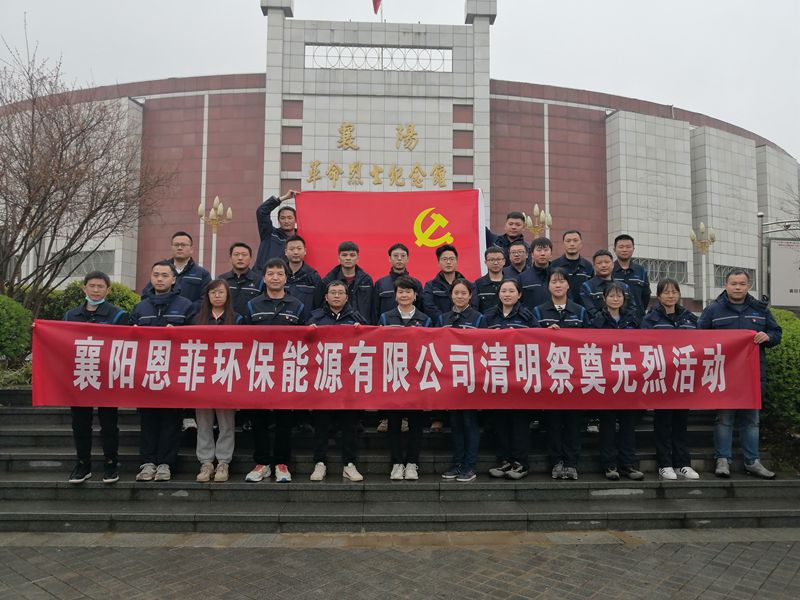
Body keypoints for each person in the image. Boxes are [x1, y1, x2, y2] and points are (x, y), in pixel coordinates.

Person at [699, 269, 782, 480]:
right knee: (724, 419)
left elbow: (776, 333)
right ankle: (722, 460)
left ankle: (752, 462)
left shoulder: (760, 310)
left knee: (751, 420)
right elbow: (698, 337)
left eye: (742, 284)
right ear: (725, 285)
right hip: (724, 375)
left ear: (749, 286)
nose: (737, 287)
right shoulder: (714, 310)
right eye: (734, 283)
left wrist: (768, 337)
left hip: (752, 376)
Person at [242, 258, 306, 483]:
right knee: (259, 419)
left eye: (280, 274)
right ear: (264, 278)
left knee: (284, 421)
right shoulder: (252, 305)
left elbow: (305, 339)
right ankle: (261, 463)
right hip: (260, 370)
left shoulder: (297, 306)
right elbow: (243, 338)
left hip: (287, 370)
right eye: (271, 274)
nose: (275, 278)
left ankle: (281, 464)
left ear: (286, 278)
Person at [130, 261, 195, 482]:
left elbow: (196, 336)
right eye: (156, 274)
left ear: (173, 279)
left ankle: (166, 463)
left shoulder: (186, 306)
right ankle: (147, 463)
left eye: (165, 275)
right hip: (146, 373)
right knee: (148, 420)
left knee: (171, 421)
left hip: (174, 372)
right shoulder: (141, 307)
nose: (160, 279)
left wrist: (178, 334)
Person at [63, 271, 129, 485]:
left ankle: (111, 463)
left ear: (108, 290)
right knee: (80, 423)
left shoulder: (118, 315)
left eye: (100, 286)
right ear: (84, 288)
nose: (96, 290)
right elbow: (61, 343)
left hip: (107, 377)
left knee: (109, 423)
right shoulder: (70, 316)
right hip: (81, 375)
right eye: (92, 286)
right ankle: (83, 464)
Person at [533, 268, 591, 480]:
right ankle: (556, 462)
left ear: (568, 284)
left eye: (561, 281)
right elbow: (531, 342)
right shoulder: (539, 312)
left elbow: (589, 342)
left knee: (573, 423)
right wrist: (544, 334)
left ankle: (571, 463)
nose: (557, 285)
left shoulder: (580, 311)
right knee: (553, 423)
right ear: (548, 286)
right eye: (553, 282)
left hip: (574, 377)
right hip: (550, 377)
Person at [307, 280, 368, 482]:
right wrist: (309, 332)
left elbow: (369, 344)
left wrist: (362, 331)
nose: (336, 296)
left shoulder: (356, 318)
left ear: (347, 297)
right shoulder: (315, 318)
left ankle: (349, 464)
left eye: (340, 292)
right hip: (322, 379)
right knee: (321, 424)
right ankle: (319, 462)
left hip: (348, 381)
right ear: (325, 297)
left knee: (350, 424)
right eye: (332, 292)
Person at [641, 278, 700, 481]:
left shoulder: (689, 318)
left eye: (674, 292)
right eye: (666, 292)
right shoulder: (650, 319)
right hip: (661, 379)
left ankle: (683, 463)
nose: (670, 295)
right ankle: (664, 464)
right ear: (658, 296)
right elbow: (643, 346)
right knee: (663, 423)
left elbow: (702, 343)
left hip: (683, 379)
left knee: (681, 423)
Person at [378, 276, 432, 480]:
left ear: (415, 295)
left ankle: (412, 463)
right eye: (400, 292)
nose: (404, 295)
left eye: (408, 292)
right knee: (394, 423)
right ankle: (396, 463)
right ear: (395, 295)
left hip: (417, 379)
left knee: (416, 424)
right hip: (394, 377)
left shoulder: (425, 319)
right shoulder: (385, 318)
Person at [485, 279, 538, 480]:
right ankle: (504, 460)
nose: (507, 294)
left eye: (511, 291)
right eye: (504, 291)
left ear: (519, 294)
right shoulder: (489, 316)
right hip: (496, 377)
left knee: (519, 422)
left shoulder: (527, 316)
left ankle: (521, 463)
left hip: (519, 378)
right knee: (500, 421)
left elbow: (537, 341)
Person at [591, 282, 643, 481]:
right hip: (606, 380)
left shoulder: (633, 319)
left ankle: (628, 464)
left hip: (628, 379)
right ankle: (609, 464)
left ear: (624, 299)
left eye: (619, 296)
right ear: (604, 299)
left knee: (628, 424)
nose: (615, 299)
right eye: (611, 296)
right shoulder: (596, 321)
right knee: (607, 424)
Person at [192, 279, 241, 483]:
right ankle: (206, 462)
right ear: (207, 296)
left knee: (226, 422)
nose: (217, 296)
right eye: (213, 293)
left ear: (227, 295)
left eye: (221, 292)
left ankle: (223, 462)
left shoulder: (237, 319)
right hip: (203, 376)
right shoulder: (198, 319)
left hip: (227, 376)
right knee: (203, 422)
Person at [438, 279, 487, 482]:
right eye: (456, 293)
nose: (459, 296)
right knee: (455, 423)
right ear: (451, 295)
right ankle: (457, 463)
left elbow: (484, 347)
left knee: (469, 422)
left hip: (472, 379)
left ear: (470, 296)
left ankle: (469, 465)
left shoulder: (479, 318)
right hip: (450, 379)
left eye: (463, 293)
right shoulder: (443, 318)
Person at [142, 231, 211, 304]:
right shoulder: (161, 270)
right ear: (171, 248)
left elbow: (205, 299)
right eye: (176, 245)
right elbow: (147, 294)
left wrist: (187, 308)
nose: (179, 248)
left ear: (191, 249)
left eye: (183, 245)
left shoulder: (202, 274)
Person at [321, 241, 374, 324]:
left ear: (357, 258)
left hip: (362, 325)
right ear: (339, 258)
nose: (348, 258)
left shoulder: (366, 280)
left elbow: (373, 306)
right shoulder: (329, 280)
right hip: (336, 325)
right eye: (344, 255)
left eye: (352, 255)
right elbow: (322, 306)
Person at [373, 243, 423, 321]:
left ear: (407, 259)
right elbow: (375, 311)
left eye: (403, 256)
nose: (399, 259)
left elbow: (421, 308)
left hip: (411, 326)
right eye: (395, 256)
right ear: (389, 258)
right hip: (387, 325)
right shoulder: (380, 284)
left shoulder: (416, 283)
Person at [580, 249, 636, 319]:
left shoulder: (624, 287)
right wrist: (609, 321)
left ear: (613, 264)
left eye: (607, 262)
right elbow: (590, 311)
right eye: (599, 263)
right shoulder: (587, 287)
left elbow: (632, 309)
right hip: (597, 324)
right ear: (594, 266)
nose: (603, 265)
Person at [422, 244, 469, 323]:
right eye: (444, 259)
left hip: (464, 325)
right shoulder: (430, 286)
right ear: (438, 263)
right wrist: (445, 321)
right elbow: (429, 308)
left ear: (457, 262)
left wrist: (459, 321)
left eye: (451, 259)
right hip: (440, 326)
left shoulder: (468, 285)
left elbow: (473, 306)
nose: (448, 262)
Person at [284, 234, 324, 321]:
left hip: (306, 325)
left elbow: (319, 306)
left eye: (299, 249)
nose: (295, 252)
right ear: (286, 252)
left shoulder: (313, 277)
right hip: (283, 324)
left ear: (305, 251)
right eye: (292, 249)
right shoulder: (279, 275)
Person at [255, 189, 297, 270]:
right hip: (263, 276)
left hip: (287, 277)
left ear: (296, 220)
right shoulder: (270, 234)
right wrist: (284, 198)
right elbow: (262, 211)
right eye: (282, 218)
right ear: (278, 220)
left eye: (289, 218)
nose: (286, 221)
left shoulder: (301, 239)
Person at [218, 242, 263, 317]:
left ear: (250, 258)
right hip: (226, 322)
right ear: (230, 258)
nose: (240, 258)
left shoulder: (259, 281)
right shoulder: (221, 280)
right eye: (236, 254)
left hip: (250, 323)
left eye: (244, 255)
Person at [612, 234, 651, 318]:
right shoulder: (609, 270)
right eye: (621, 247)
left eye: (628, 247)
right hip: (615, 319)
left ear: (633, 249)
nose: (624, 250)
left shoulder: (641, 271)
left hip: (637, 319)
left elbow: (646, 296)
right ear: (614, 250)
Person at [550, 230, 593, 304]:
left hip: (584, 308)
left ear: (581, 244)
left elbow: (591, 290)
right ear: (563, 244)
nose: (572, 244)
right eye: (568, 241)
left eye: (575, 240)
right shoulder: (554, 265)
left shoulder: (588, 266)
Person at [518, 237, 552, 311]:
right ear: (532, 254)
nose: (542, 253)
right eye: (539, 250)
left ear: (551, 254)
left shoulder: (558, 276)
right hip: (531, 317)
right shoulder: (523, 277)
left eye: (546, 250)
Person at [473, 246, 506, 313]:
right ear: (486, 262)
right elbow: (475, 308)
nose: (495, 263)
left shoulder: (512, 283)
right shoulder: (478, 284)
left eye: (499, 259)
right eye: (492, 260)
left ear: (504, 261)